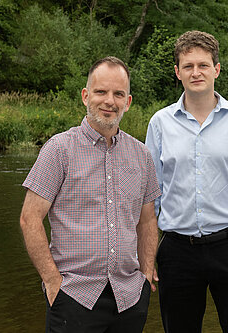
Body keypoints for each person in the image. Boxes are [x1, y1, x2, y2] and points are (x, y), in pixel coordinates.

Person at [20, 56, 161, 333]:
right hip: (73, 297)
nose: (109, 101)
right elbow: (30, 219)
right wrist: (51, 281)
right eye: (101, 92)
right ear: (86, 96)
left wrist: (146, 274)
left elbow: (147, 221)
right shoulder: (59, 150)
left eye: (118, 94)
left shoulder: (141, 155)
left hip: (129, 298)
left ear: (128, 102)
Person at [145, 30, 228, 333]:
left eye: (203, 65)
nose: (195, 72)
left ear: (217, 69)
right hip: (176, 250)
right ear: (177, 72)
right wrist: (147, 254)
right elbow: (149, 196)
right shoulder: (160, 124)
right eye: (188, 66)